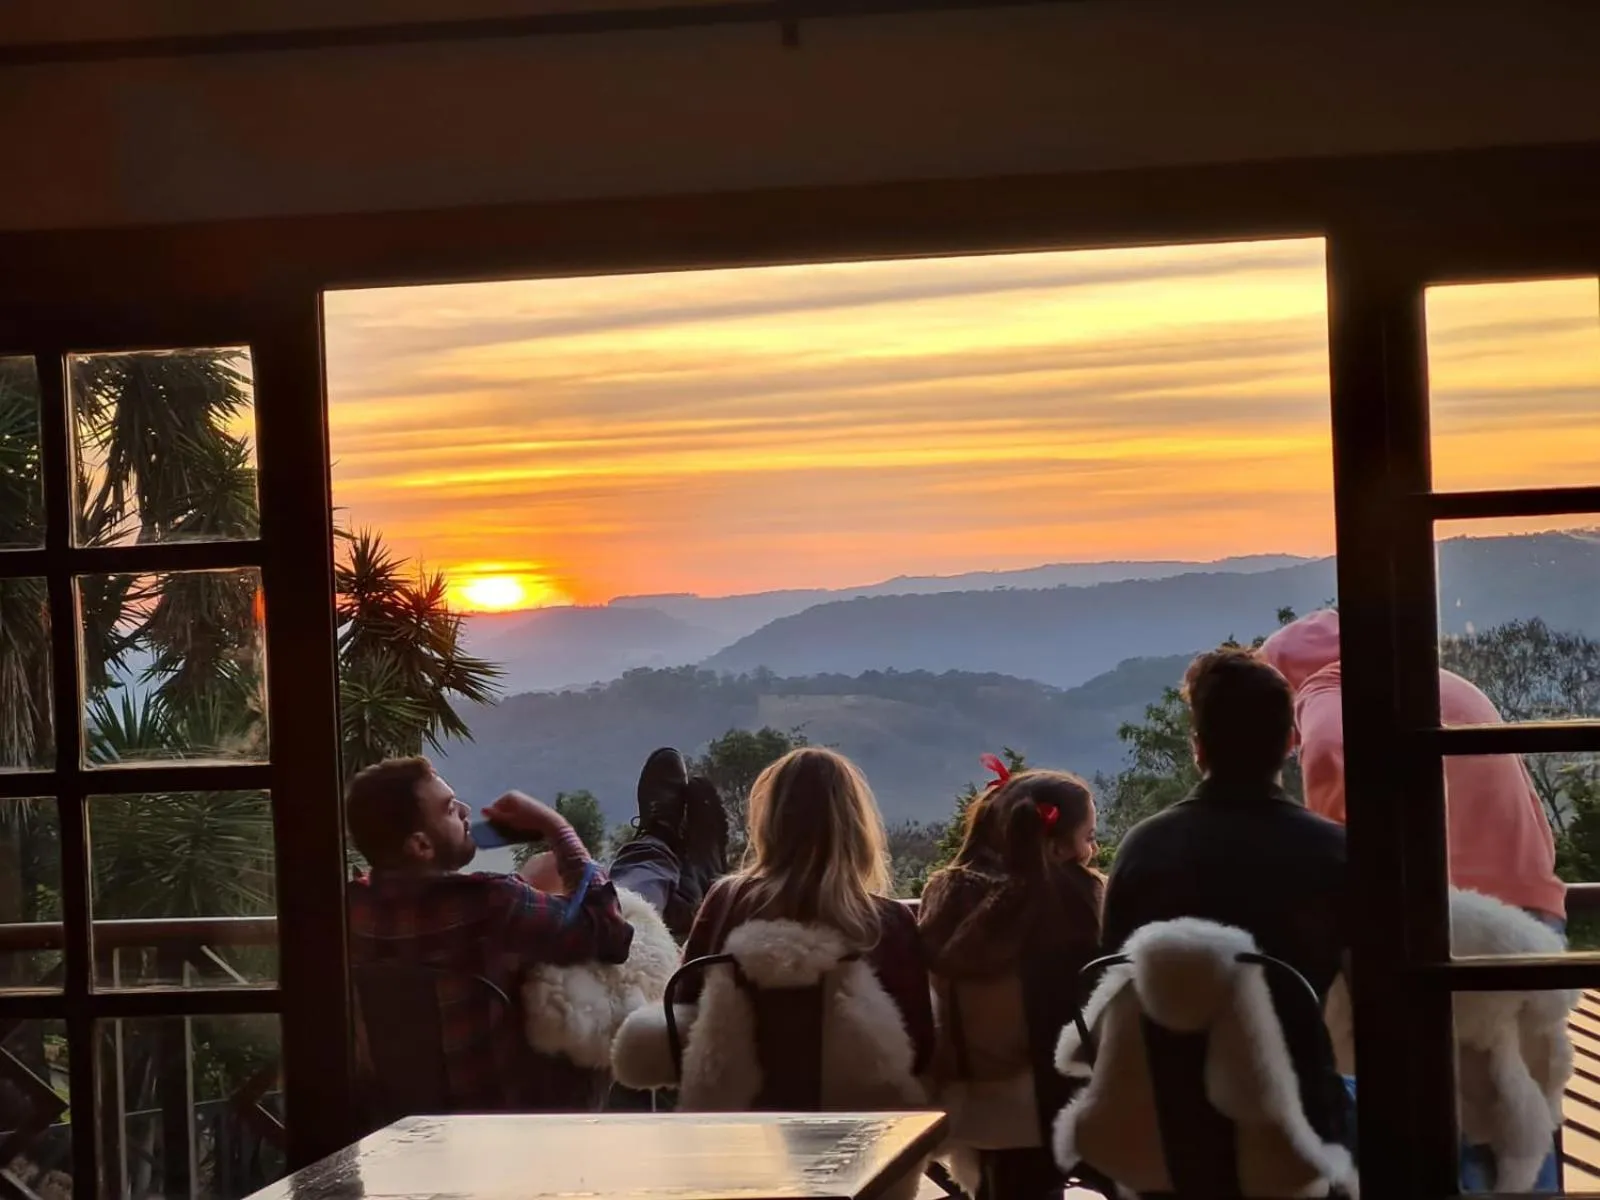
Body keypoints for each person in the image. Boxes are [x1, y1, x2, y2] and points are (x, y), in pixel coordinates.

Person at [345, 746, 727, 1113]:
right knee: (627, 905)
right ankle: (659, 845)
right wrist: (554, 825)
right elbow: (613, 937)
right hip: (528, 1115)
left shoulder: (352, 906)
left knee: (554, 881)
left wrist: (524, 884)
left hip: (408, 1126)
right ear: (421, 845)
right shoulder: (493, 902)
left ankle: (670, 865)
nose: (464, 811)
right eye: (449, 809)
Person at [1101, 647, 1350, 1148]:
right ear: (1290, 741)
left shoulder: (1144, 849)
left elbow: (1111, 989)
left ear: (1198, 748)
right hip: (1299, 1120)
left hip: (1170, 1128)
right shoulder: (1333, 852)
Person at [1259, 608, 1565, 935]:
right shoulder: (1431, 681)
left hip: (1462, 918)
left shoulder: (1327, 682)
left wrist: (1336, 847)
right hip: (1533, 910)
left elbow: (1324, 747)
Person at [679, 746, 936, 1079]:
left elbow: (684, 1010)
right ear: (856, 825)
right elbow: (919, 1048)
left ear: (770, 821)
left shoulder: (726, 901)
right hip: (866, 1120)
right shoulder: (889, 924)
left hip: (735, 1118)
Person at [919, 762, 1106, 1200]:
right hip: (1044, 1101)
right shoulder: (1070, 900)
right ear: (1057, 848)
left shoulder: (944, 896)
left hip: (960, 1092)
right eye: (1088, 837)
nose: (1093, 850)